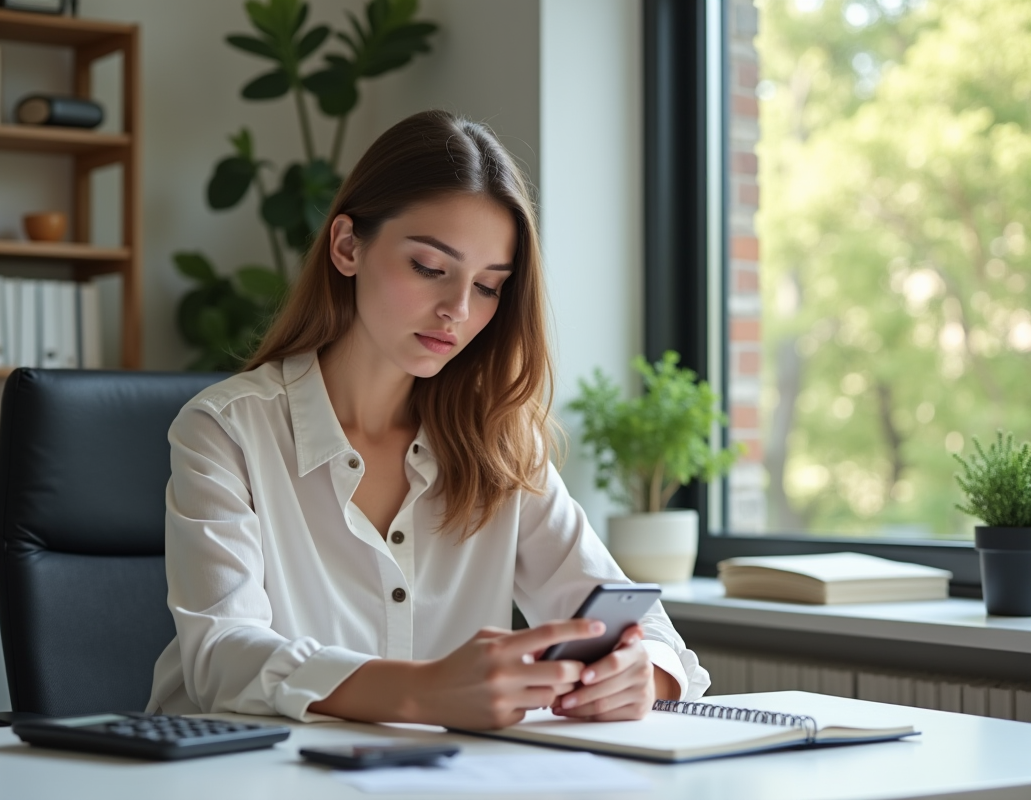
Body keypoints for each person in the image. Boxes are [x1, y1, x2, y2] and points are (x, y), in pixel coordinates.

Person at [147, 110, 709, 729]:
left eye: (490, 286)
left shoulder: (500, 443)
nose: (458, 311)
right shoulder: (225, 430)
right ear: (346, 246)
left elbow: (642, 626)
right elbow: (221, 657)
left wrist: (641, 672)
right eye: (429, 269)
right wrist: (422, 691)